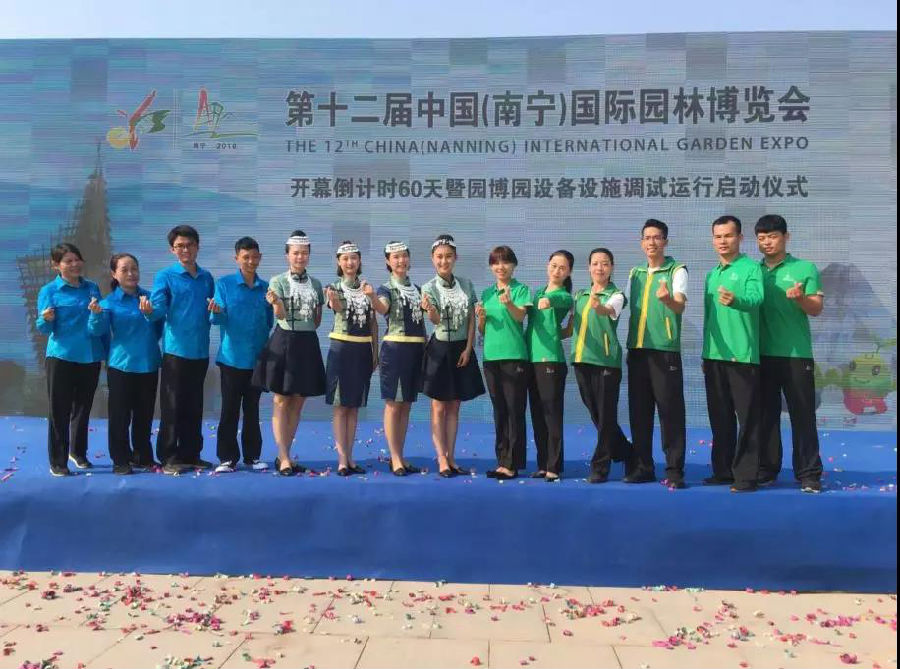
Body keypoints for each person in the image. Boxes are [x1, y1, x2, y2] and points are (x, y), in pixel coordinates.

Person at [755, 214, 825, 493]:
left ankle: (809, 473)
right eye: (761, 238)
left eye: (773, 236)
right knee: (765, 417)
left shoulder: (804, 268)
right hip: (761, 354)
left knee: (803, 415)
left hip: (796, 354)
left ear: (786, 237)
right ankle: (766, 469)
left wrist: (801, 299)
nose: (767, 242)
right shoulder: (753, 271)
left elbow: (816, 308)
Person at [252, 230, 326, 476]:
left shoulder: (316, 284)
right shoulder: (278, 282)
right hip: (285, 341)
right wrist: (277, 303)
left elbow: (316, 321)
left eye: (304, 253)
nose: (300, 257)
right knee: (281, 399)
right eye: (295, 253)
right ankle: (283, 456)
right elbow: (280, 315)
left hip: (307, 342)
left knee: (298, 400)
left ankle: (285, 453)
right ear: (287, 255)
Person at [625, 219, 689, 489]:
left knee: (669, 412)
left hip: (664, 352)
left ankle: (674, 470)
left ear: (665, 241)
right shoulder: (635, 273)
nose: (651, 242)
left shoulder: (677, 270)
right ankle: (643, 467)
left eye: (657, 237)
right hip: (637, 351)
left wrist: (667, 299)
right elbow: (620, 305)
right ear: (641, 243)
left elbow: (680, 306)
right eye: (647, 237)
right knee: (639, 413)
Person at [702, 215, 764, 493]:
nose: (723, 241)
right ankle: (723, 471)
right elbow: (709, 318)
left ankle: (747, 476)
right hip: (714, 356)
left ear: (740, 238)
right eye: (718, 236)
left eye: (728, 236)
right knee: (720, 417)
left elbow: (756, 299)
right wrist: (706, 353)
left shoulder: (751, 268)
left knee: (747, 419)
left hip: (741, 356)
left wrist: (736, 300)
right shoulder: (712, 274)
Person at [148, 225, 216, 475]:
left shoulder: (206, 277)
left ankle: (191, 454)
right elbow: (158, 308)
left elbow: (213, 309)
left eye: (189, 245)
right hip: (176, 351)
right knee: (172, 406)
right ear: (172, 250)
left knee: (194, 405)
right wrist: (149, 311)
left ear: (197, 247)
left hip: (200, 350)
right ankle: (169, 456)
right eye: (180, 246)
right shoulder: (165, 276)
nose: (185, 250)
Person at [87, 253, 162, 475]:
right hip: (121, 366)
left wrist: (150, 314)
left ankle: (142, 456)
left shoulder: (150, 298)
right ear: (114, 274)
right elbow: (96, 331)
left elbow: (159, 328)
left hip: (148, 363)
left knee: (144, 414)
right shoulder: (108, 303)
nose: (131, 274)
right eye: (125, 269)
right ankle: (120, 459)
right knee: (120, 416)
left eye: (134, 269)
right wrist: (95, 315)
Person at [36, 243, 105, 476]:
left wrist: (96, 315)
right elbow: (44, 328)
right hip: (61, 356)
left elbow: (98, 327)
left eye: (77, 259)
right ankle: (58, 461)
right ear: (56, 265)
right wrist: (46, 319)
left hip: (89, 356)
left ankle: (78, 452)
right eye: (68, 261)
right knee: (60, 410)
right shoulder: (49, 291)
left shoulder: (92, 288)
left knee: (83, 408)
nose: (75, 264)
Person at [420, 234, 485, 478]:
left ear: (456, 258)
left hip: (461, 349)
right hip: (439, 349)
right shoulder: (428, 287)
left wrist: (469, 348)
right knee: (438, 406)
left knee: (455, 405)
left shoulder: (466, 284)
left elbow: (471, 319)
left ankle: (452, 456)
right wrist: (431, 311)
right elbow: (435, 320)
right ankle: (441, 458)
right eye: (439, 257)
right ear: (432, 259)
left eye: (448, 256)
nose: (444, 261)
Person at [209, 237, 273, 473]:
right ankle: (227, 458)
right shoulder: (224, 284)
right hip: (232, 359)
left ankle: (252, 457)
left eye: (255, 257)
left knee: (252, 409)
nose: (251, 261)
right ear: (236, 258)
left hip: (257, 358)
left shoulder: (266, 288)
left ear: (260, 258)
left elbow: (269, 322)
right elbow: (216, 318)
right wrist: (217, 312)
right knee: (230, 409)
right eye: (246, 257)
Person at [570, 248, 632, 483]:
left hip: (606, 362)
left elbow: (609, 310)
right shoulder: (580, 295)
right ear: (588, 267)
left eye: (605, 264)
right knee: (596, 413)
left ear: (612, 268)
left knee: (606, 416)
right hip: (581, 360)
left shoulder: (616, 295)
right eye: (595, 263)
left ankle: (600, 466)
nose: (600, 268)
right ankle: (627, 452)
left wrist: (600, 306)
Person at [476, 245, 533, 481]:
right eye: (496, 262)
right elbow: (483, 330)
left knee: (514, 410)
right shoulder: (487, 293)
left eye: (505, 262)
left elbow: (520, 316)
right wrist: (480, 319)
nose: (501, 267)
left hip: (514, 357)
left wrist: (509, 303)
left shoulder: (521, 289)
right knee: (499, 410)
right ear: (491, 267)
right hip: (491, 358)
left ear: (514, 265)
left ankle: (513, 462)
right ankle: (502, 460)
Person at [372, 241, 425, 476]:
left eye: (404, 256)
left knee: (406, 405)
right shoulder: (384, 289)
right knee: (394, 404)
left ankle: (400, 455)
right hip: (394, 350)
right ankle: (394, 458)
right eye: (395, 257)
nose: (400, 260)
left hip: (416, 350)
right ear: (388, 261)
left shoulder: (419, 289)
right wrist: (372, 298)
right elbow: (382, 308)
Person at [325, 241, 377, 476]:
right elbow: (335, 306)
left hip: (362, 350)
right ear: (339, 262)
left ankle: (350, 456)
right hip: (341, 350)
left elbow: (373, 323)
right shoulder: (333, 287)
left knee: (354, 407)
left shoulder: (367, 288)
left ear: (359, 261)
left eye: (354, 258)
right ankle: (342, 459)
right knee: (340, 406)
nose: (350, 262)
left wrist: (375, 352)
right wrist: (333, 300)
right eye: (345, 258)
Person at [526, 250, 574, 482]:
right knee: (537, 414)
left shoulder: (564, 296)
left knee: (551, 414)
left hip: (551, 361)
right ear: (547, 266)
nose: (557, 271)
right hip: (531, 360)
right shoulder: (537, 293)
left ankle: (554, 466)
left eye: (562, 268)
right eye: (554, 265)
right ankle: (543, 463)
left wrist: (549, 301)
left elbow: (560, 301)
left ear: (568, 272)